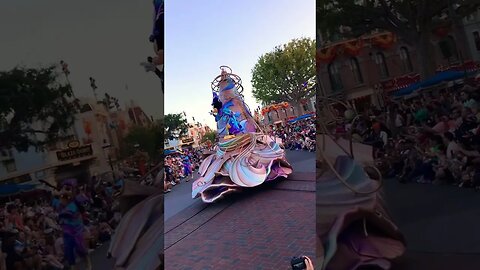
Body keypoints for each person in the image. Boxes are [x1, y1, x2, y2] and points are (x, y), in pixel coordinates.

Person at [192, 67, 292, 203]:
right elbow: (222, 129)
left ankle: (258, 171)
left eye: (227, 92)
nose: (225, 96)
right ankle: (233, 177)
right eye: (223, 94)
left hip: (246, 138)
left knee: (254, 144)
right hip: (230, 144)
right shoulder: (222, 112)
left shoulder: (237, 105)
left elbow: (249, 122)